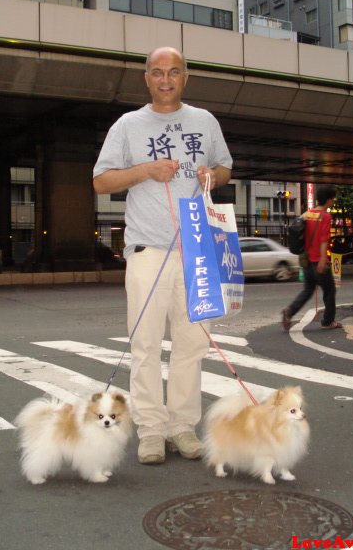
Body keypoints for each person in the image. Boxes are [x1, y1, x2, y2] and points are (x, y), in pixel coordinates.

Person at [93, 47, 232, 465]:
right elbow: (100, 181)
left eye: (173, 72)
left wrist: (213, 175)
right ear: (147, 78)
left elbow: (225, 167)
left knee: (192, 345)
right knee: (146, 346)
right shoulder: (128, 125)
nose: (166, 79)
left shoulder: (204, 121)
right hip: (147, 250)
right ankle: (151, 431)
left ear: (185, 77)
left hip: (198, 251)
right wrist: (144, 171)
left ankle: (182, 427)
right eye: (157, 72)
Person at [282, 185, 342, 331]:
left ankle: (290, 311)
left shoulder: (307, 214)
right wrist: (322, 259)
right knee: (329, 290)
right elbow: (323, 240)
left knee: (308, 290)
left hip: (306, 260)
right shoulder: (326, 217)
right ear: (328, 200)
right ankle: (328, 321)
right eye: (332, 199)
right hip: (318, 261)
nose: (333, 202)